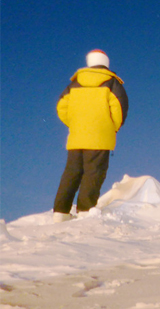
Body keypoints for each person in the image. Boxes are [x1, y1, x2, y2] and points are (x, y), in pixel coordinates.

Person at [53, 49, 128, 222]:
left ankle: (60, 212)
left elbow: (61, 107)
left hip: (77, 137)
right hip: (100, 137)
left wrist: (75, 124)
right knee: (94, 173)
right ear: (106, 62)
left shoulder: (74, 84)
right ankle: (85, 210)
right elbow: (119, 110)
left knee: (71, 172)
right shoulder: (112, 83)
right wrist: (111, 127)